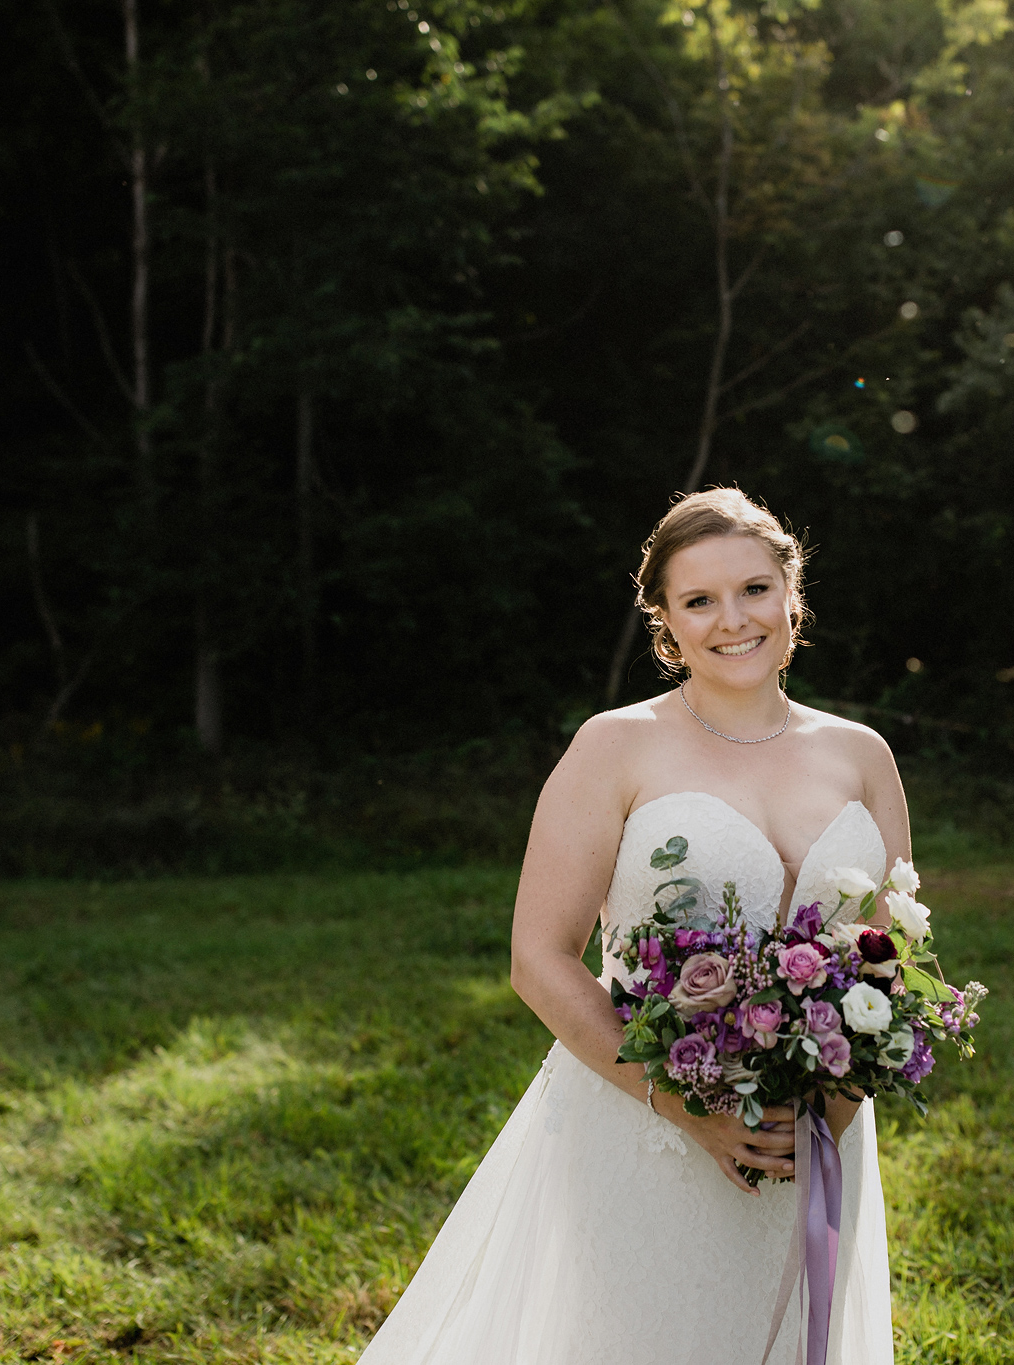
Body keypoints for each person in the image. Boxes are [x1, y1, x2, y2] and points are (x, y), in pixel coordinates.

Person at [360, 487, 907, 1364]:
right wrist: (692, 1110)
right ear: (665, 620)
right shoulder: (614, 747)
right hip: (646, 1122)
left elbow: (888, 951)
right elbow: (539, 956)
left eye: (755, 589)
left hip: (815, 1132)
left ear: (792, 594)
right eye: (699, 600)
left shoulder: (861, 754)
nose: (734, 619)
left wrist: (831, 1110)